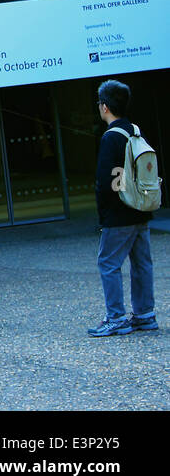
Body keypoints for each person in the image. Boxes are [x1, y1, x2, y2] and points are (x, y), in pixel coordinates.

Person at [88, 79, 157, 337]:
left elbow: (108, 181)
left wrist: (104, 215)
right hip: (141, 209)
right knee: (142, 263)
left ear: (104, 107)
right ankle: (145, 314)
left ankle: (116, 317)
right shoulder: (135, 131)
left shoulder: (111, 138)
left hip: (119, 214)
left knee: (108, 263)